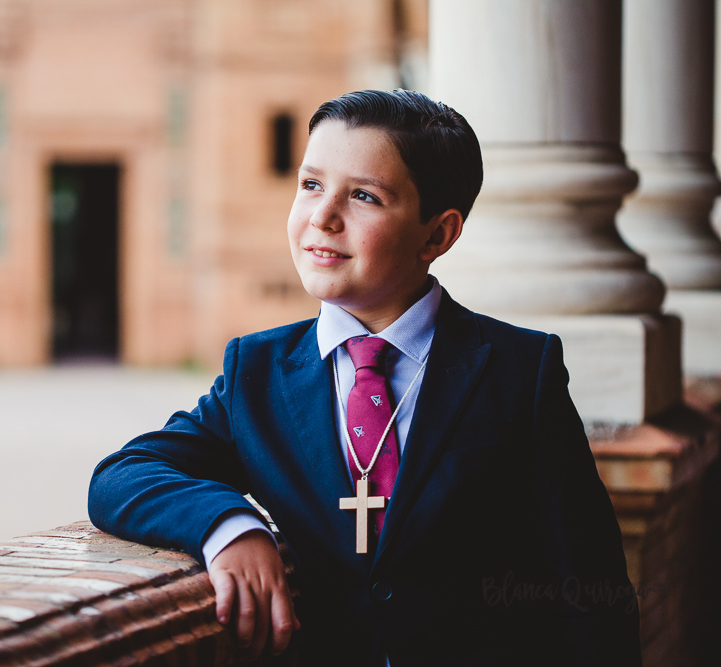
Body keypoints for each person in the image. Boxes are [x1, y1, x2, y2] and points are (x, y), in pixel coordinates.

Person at [89, 89, 641, 666]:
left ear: (438, 235)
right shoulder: (257, 373)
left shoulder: (519, 371)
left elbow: (589, 586)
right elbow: (124, 474)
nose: (323, 216)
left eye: (363, 196)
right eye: (310, 185)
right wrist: (228, 525)